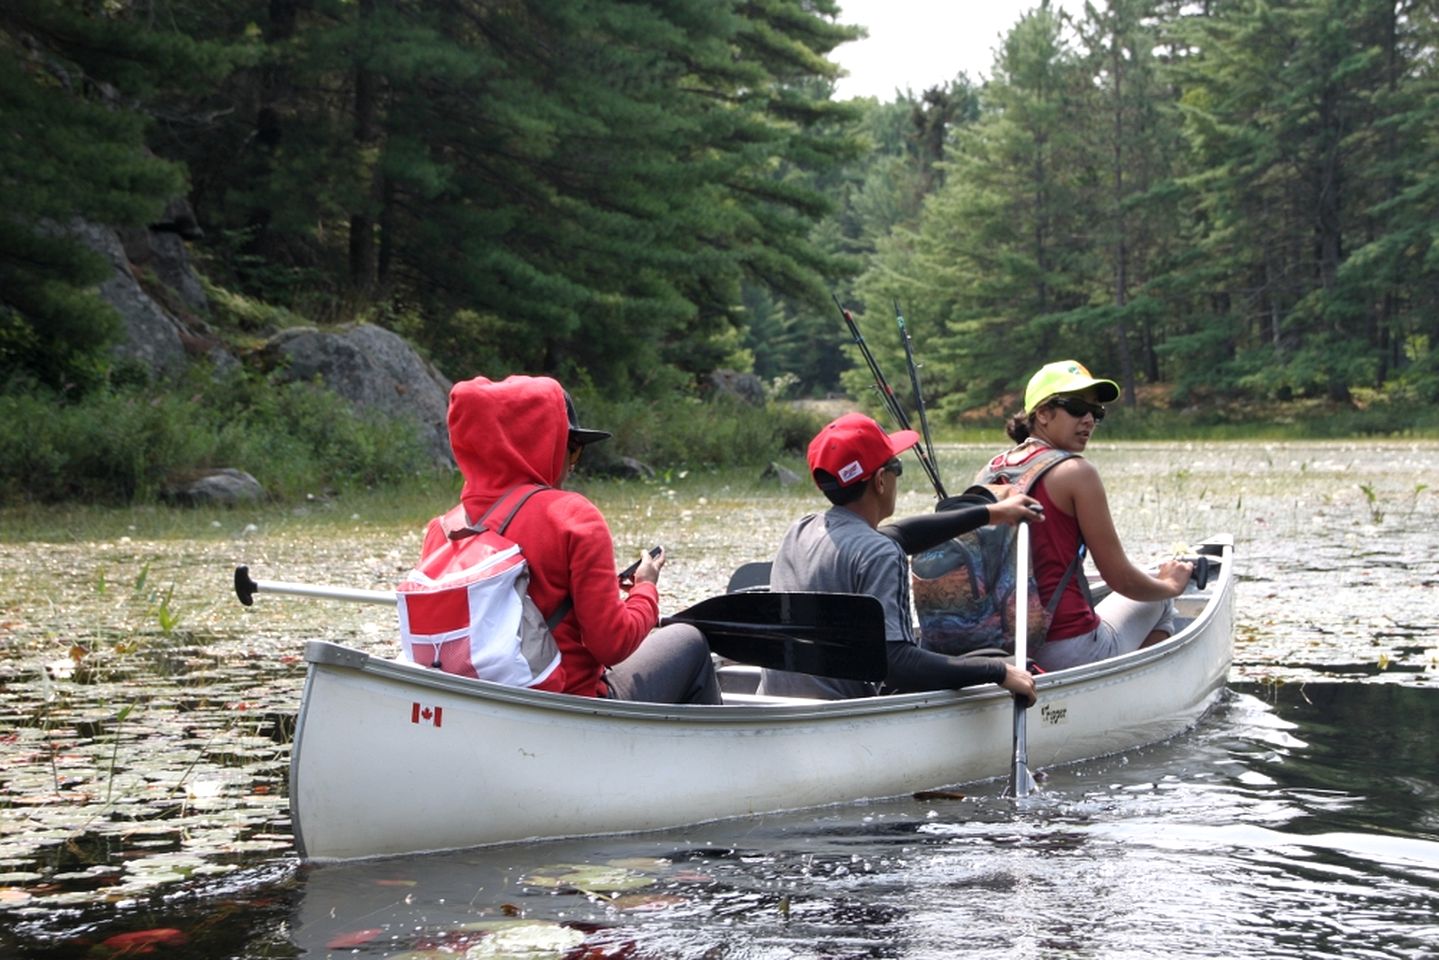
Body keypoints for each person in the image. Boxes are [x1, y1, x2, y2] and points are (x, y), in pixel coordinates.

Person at [420, 374, 721, 704]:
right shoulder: (572, 516)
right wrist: (645, 590)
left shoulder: (443, 529)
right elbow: (613, 645)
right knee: (688, 639)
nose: (572, 465)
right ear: (539, 442)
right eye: (572, 449)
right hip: (568, 705)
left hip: (476, 705)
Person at [757, 412, 1041, 704]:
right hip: (842, 714)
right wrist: (996, 671)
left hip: (780, 703)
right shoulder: (878, 552)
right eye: (897, 467)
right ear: (881, 480)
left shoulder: (801, 530)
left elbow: (902, 535)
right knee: (1001, 659)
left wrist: (992, 513)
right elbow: (896, 665)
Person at [987, 360, 1193, 672]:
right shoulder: (1077, 472)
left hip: (995, 646)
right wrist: (1170, 585)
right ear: (1042, 413)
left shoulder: (990, 471)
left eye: (1096, 413)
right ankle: (1125, 697)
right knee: (1160, 601)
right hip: (1066, 648)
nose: (1088, 420)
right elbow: (1120, 578)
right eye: (1076, 408)